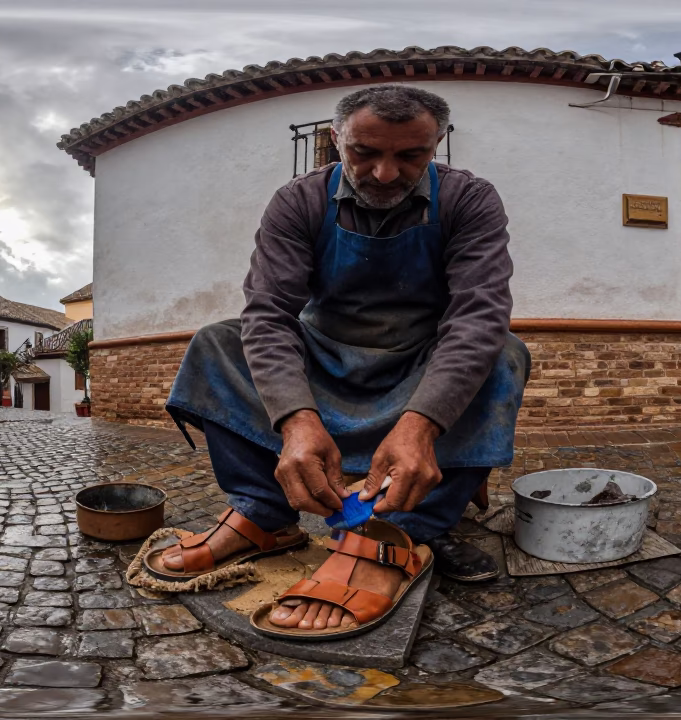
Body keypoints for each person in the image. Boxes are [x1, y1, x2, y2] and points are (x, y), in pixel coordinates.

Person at [144, 84, 530, 638]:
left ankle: (401, 532)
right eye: (364, 153)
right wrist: (297, 420)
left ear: (437, 144)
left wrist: (421, 423)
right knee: (217, 341)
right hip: (323, 357)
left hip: (420, 365)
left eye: (410, 156)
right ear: (335, 140)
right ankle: (262, 515)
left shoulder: (471, 199)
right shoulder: (297, 201)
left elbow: (477, 316)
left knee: (502, 354)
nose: (385, 174)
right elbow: (269, 313)